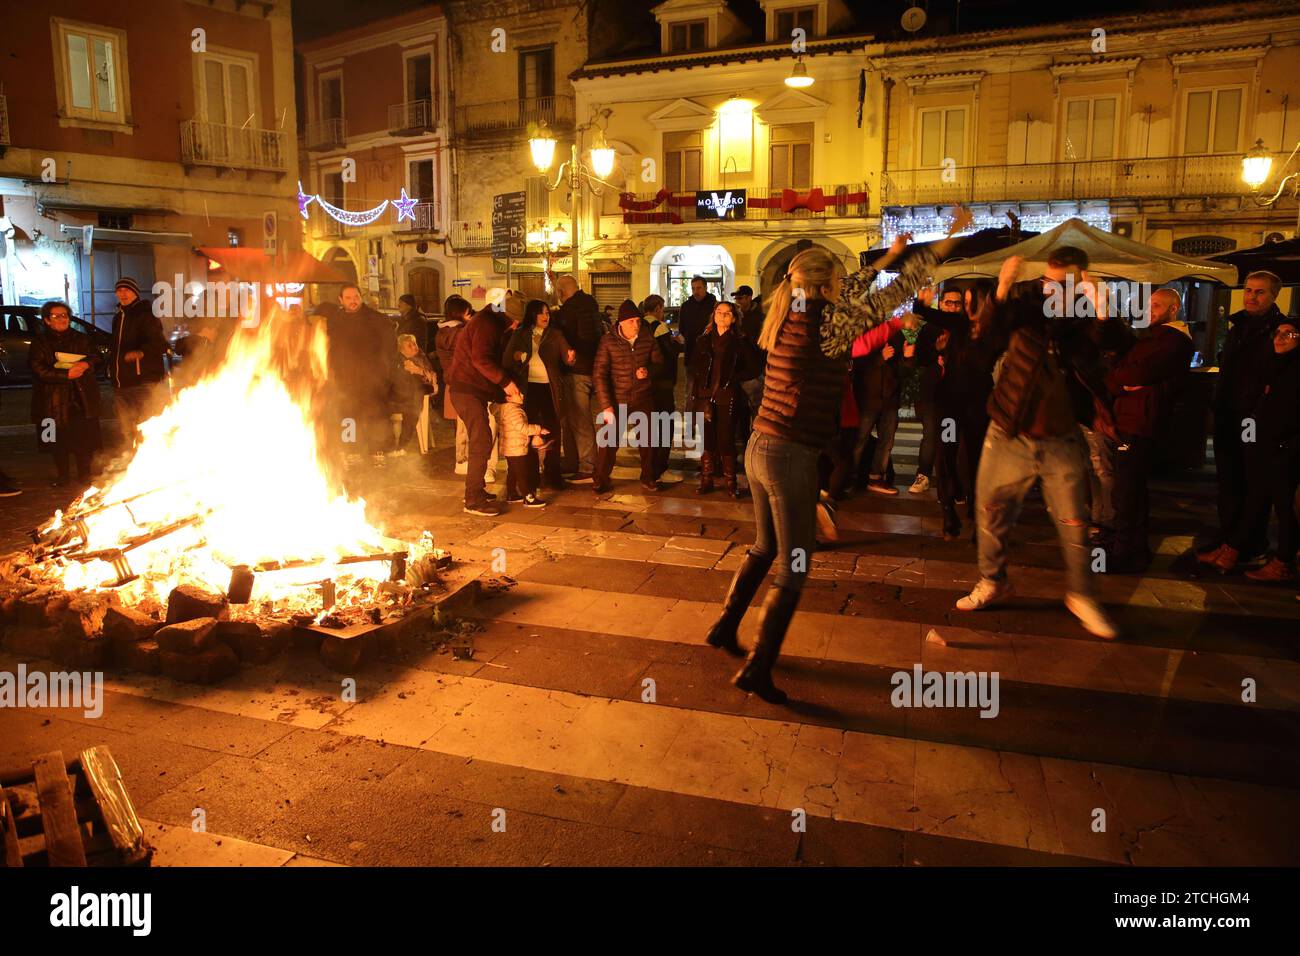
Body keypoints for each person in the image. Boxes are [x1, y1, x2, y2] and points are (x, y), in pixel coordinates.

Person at [704, 207, 971, 705]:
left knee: (766, 548)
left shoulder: (785, 308)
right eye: (841, 279)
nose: (847, 284)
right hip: (790, 454)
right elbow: (897, 291)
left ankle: (724, 626)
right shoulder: (832, 323)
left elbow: (856, 291)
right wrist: (947, 240)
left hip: (760, 446)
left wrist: (888, 256)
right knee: (795, 565)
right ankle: (758, 669)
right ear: (827, 285)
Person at [954, 248, 1122, 640]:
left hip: (1062, 438)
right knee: (990, 512)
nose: (1054, 291)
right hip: (1009, 433)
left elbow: (1113, 349)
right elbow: (983, 344)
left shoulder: (1085, 320)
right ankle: (993, 580)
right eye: (1049, 281)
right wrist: (1002, 288)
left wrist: (1100, 306)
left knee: (1075, 524)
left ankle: (1082, 596)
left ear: (1080, 281)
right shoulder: (1024, 306)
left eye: (1064, 284)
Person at [1105, 288, 1193, 572]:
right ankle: (1135, 548)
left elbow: (1133, 373)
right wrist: (1121, 379)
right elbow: (1119, 374)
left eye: (1157, 305)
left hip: (1141, 420)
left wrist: (1122, 376)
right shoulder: (1153, 339)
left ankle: (1123, 552)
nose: (1150, 310)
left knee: (1127, 490)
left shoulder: (1173, 341)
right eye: (1149, 305)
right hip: (1133, 418)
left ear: (1173, 309)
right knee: (1132, 489)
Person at [1205, 270, 1286, 562]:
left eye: (1259, 292)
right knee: (1229, 480)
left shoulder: (1280, 329)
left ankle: (1245, 544)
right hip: (1228, 413)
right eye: (1249, 290)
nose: (1251, 296)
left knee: (1253, 482)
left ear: (1274, 295)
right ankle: (1229, 538)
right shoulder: (1239, 325)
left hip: (1254, 417)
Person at [1211, 320, 1300, 578]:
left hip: (1284, 450)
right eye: (1278, 332)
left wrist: (1287, 444)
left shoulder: (1293, 370)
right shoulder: (1274, 365)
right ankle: (1234, 548)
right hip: (1264, 445)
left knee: (1284, 508)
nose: (1280, 338)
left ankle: (1282, 562)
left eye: (1290, 334)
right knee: (1255, 498)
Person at [448, 292, 524, 516]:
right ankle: (473, 499)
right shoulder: (486, 324)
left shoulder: (491, 321)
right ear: (509, 317)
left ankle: (478, 489)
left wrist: (502, 394)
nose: (516, 325)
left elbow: (489, 362)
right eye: (515, 321)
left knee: (483, 439)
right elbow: (481, 360)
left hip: (473, 389)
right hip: (465, 389)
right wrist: (506, 384)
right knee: (480, 439)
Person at [29, 300, 103, 487]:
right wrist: (65, 374)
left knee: (83, 439)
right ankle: (62, 476)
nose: (61, 319)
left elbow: (97, 357)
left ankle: (84, 475)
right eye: (56, 316)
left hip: (80, 397)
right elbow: (37, 369)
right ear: (47, 320)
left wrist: (86, 364)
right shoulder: (40, 342)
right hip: (51, 400)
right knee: (56, 441)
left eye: (64, 315)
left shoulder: (81, 338)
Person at [324, 284, 398, 468]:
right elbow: (329, 348)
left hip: (373, 379)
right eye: (348, 298)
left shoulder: (376, 319)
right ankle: (351, 451)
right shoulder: (335, 321)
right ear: (341, 300)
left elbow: (390, 346)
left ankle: (377, 450)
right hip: (345, 380)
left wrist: (385, 371)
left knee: (376, 415)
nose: (353, 301)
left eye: (356, 296)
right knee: (348, 416)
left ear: (361, 297)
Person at [592, 300, 662, 494]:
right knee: (608, 442)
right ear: (621, 323)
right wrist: (607, 406)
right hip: (617, 398)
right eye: (631, 321)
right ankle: (601, 478)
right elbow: (599, 374)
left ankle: (648, 476)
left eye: (637, 320)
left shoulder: (647, 338)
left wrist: (648, 371)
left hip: (643, 397)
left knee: (648, 440)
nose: (636, 325)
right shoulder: (608, 341)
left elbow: (660, 364)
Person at [503, 299, 572, 490]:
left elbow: (567, 358)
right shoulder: (521, 334)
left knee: (552, 431)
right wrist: (518, 357)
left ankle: (553, 475)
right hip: (529, 389)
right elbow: (507, 360)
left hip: (549, 388)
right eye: (542, 313)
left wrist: (570, 358)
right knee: (529, 431)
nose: (545, 316)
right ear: (532, 315)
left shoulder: (555, 334)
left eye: (548, 313)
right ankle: (530, 478)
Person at [690, 301, 756, 497]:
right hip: (705, 395)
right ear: (714, 315)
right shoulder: (703, 340)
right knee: (707, 439)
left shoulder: (739, 341)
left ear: (734, 318)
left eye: (727, 313)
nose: (722, 316)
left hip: (727, 395)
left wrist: (735, 378)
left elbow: (753, 367)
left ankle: (730, 481)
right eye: (719, 312)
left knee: (726, 439)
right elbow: (693, 366)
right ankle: (706, 478)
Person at [850, 293, 907, 495]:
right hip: (867, 397)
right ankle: (852, 477)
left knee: (886, 441)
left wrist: (907, 358)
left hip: (889, 398)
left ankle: (877, 477)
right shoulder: (860, 333)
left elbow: (901, 366)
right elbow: (856, 364)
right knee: (860, 439)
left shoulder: (894, 334)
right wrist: (880, 359)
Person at [110, 276, 168, 448]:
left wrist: (141, 352)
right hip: (121, 383)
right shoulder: (118, 317)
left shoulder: (147, 315)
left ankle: (151, 462)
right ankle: (131, 463)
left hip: (143, 382)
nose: (123, 293)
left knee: (147, 426)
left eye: (127, 290)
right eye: (119, 290)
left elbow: (160, 344)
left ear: (135, 293)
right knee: (127, 429)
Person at [554, 275, 603, 482]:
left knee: (579, 419)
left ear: (561, 292)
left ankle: (588, 465)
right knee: (574, 419)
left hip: (577, 370)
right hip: (593, 367)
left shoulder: (567, 312)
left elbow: (570, 339)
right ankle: (573, 461)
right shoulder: (591, 304)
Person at [641, 294, 683, 480]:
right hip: (662, 385)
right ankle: (660, 467)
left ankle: (648, 467)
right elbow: (668, 356)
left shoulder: (638, 326)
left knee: (648, 427)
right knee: (665, 424)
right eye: (662, 309)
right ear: (658, 308)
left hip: (643, 384)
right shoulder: (659, 327)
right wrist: (678, 345)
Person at [499, 387, 551, 509]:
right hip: (516, 447)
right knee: (522, 473)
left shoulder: (506, 409)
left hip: (510, 447)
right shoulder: (514, 411)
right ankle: (528, 497)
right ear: (508, 398)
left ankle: (511, 494)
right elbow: (522, 428)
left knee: (512, 472)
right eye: (517, 393)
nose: (522, 395)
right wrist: (539, 429)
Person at [391, 333, 438, 456]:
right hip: (398, 399)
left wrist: (420, 371)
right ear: (402, 350)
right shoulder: (400, 362)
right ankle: (396, 446)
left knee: (413, 410)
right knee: (412, 411)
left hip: (414, 397)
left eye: (414, 343)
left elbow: (432, 377)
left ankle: (401, 446)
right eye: (409, 346)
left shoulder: (421, 358)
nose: (414, 347)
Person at [678, 276, 718, 374]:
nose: (696, 291)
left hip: (709, 353)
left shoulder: (715, 305)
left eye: (699, 288)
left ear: (705, 288)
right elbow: (682, 328)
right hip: (691, 352)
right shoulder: (686, 306)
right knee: (690, 385)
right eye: (693, 288)